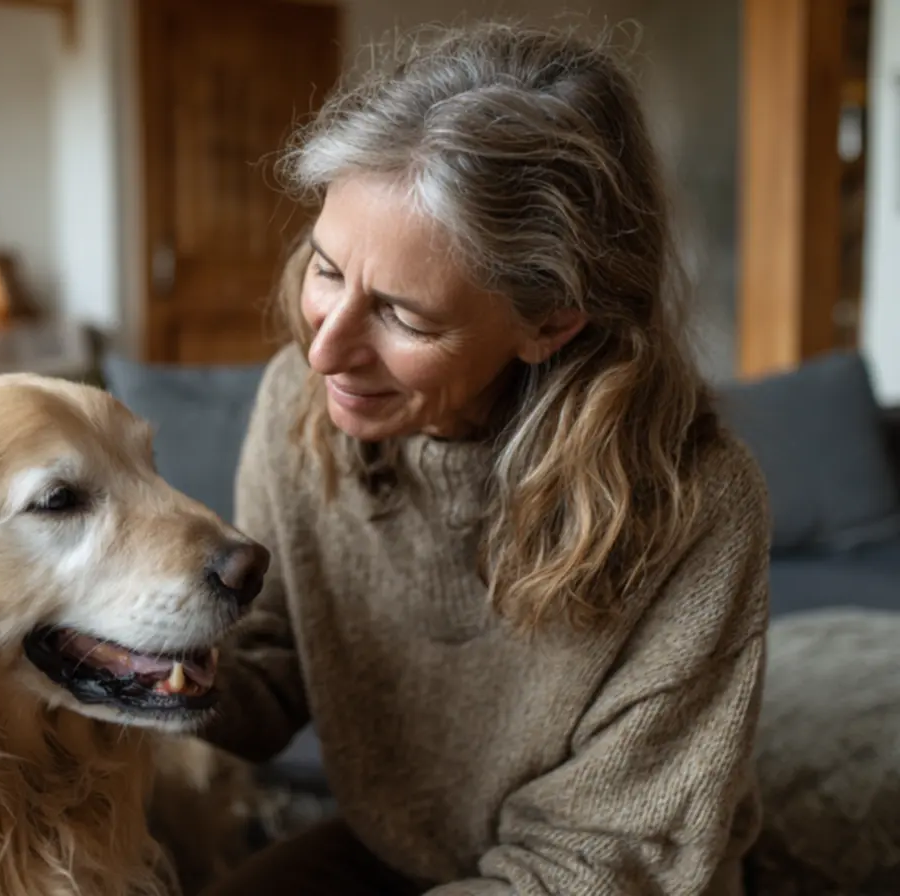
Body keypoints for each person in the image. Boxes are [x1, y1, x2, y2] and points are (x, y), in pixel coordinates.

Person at [199, 20, 771, 896]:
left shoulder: (701, 505)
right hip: (394, 853)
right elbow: (270, 668)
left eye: (404, 317)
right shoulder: (297, 400)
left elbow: (605, 862)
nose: (324, 353)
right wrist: (134, 653)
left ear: (550, 321)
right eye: (325, 269)